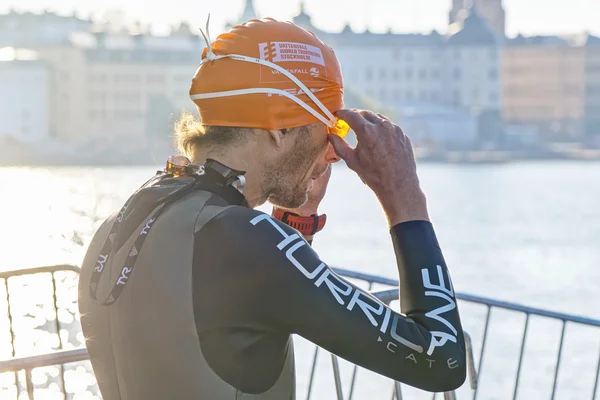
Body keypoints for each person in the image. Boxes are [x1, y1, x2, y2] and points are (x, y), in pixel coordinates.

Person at [78, 17, 466, 399]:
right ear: (280, 128)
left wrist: (296, 222)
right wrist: (404, 197)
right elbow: (439, 359)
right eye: (328, 130)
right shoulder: (251, 242)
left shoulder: (121, 223)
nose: (332, 153)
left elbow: (233, 323)